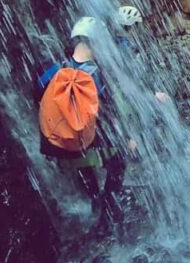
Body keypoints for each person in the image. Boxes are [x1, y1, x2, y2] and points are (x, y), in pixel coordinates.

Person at [35, 16, 133, 231]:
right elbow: (109, 115)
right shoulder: (96, 76)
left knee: (83, 163)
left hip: (60, 150)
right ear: (94, 43)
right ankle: (109, 209)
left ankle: (94, 197)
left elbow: (38, 94)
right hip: (84, 145)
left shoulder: (54, 70)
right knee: (120, 158)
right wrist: (128, 139)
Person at [115, 5, 168, 103]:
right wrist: (154, 94)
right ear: (132, 26)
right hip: (128, 95)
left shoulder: (115, 41)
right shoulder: (125, 47)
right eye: (136, 25)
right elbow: (132, 76)